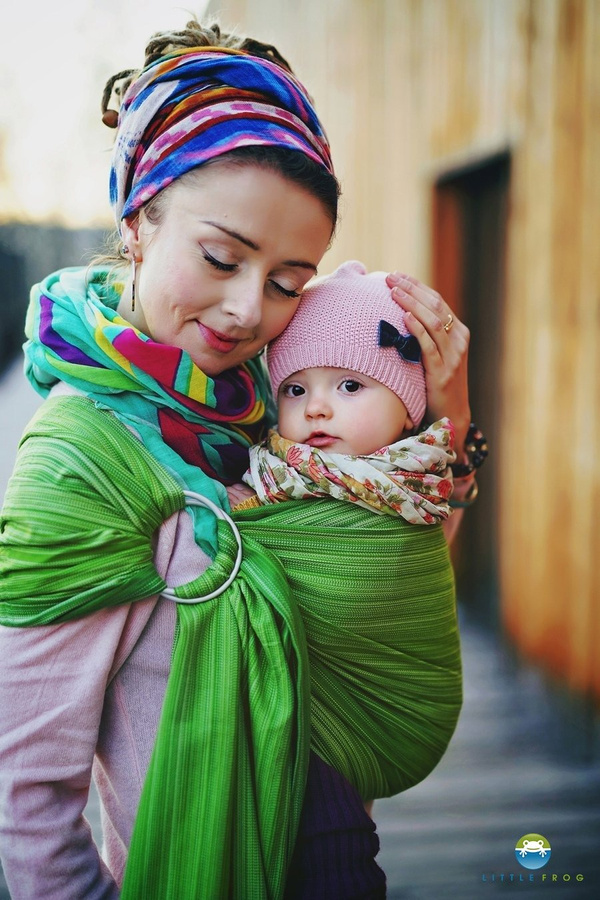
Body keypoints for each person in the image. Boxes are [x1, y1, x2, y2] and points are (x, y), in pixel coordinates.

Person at [0, 19, 475, 900]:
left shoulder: (280, 396)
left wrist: (449, 417)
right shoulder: (84, 464)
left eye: (291, 280)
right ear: (141, 221)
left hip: (339, 857)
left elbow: (381, 578)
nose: (248, 310)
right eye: (221, 257)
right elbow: (28, 798)